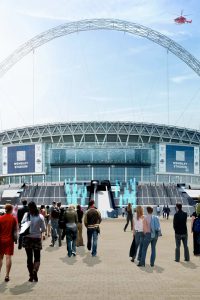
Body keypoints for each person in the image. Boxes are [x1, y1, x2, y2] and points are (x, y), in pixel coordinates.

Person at [21, 201, 46, 282]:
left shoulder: (26, 215)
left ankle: (31, 275)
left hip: (27, 238)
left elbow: (22, 224)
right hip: (37, 238)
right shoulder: (40, 216)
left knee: (29, 257)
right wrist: (38, 231)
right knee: (37, 257)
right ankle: (35, 270)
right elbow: (44, 229)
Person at [0, 204, 18, 282]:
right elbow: (15, 231)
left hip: (0, 240)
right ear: (11, 210)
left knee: (0, 258)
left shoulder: (0, 218)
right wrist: (16, 239)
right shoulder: (13, 219)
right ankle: (7, 275)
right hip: (9, 240)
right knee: (8, 258)